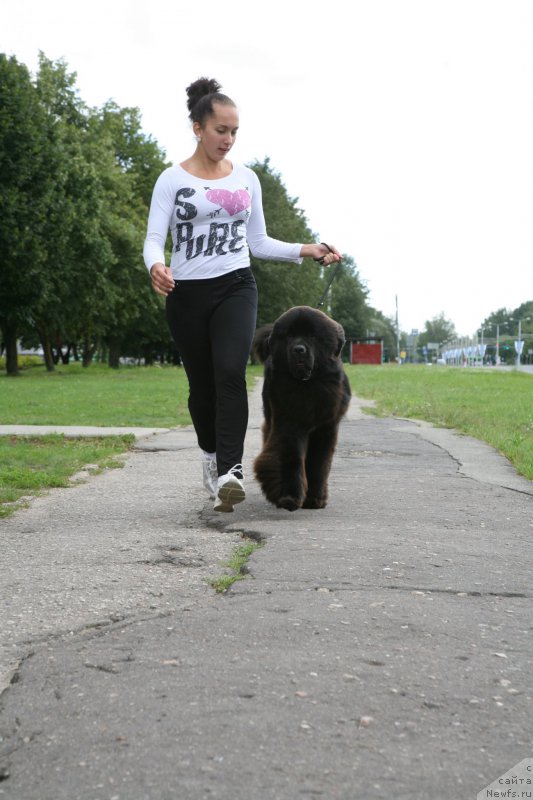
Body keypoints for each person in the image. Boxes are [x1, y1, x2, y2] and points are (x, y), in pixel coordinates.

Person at [143, 77, 341, 513]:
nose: (228, 139)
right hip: (187, 293)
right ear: (198, 128)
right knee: (202, 389)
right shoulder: (171, 180)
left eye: (234, 132)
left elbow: (259, 242)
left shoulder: (247, 179)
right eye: (220, 130)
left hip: (236, 286)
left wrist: (305, 249)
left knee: (231, 373)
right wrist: (156, 265)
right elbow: (155, 238)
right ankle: (212, 457)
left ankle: (230, 472)